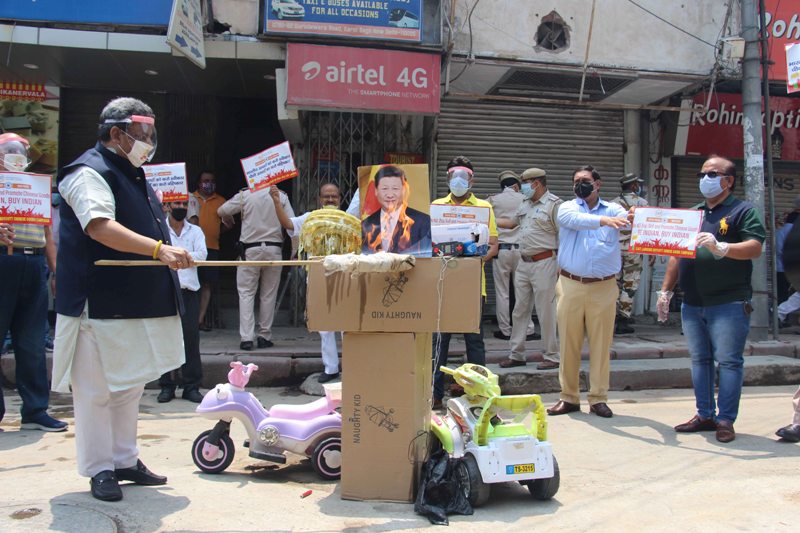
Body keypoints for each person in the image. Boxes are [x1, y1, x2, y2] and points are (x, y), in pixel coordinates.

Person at [52, 97, 195, 501]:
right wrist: (157, 250)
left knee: (129, 385)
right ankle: (99, 469)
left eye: (150, 135)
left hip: (135, 302)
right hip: (97, 304)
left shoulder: (134, 172)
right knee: (96, 390)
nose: (148, 143)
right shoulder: (87, 172)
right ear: (116, 134)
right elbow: (99, 226)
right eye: (141, 135)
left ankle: (124, 459)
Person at [658, 156, 765, 443]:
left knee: (729, 362)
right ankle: (704, 414)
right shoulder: (694, 214)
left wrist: (722, 247)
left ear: (729, 181)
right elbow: (675, 254)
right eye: (702, 174)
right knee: (700, 360)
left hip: (728, 302)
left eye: (712, 174)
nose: (705, 179)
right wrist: (665, 291)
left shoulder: (743, 211)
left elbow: (755, 247)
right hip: (692, 303)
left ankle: (725, 419)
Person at [547, 165, 629, 419]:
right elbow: (572, 221)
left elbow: (627, 221)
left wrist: (637, 217)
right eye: (576, 181)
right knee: (569, 343)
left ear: (598, 184)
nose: (580, 184)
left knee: (601, 345)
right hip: (571, 284)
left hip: (604, 286)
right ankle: (568, 397)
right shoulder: (568, 207)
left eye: (585, 180)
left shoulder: (615, 209)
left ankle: (598, 398)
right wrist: (603, 221)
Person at [0, 132, 66, 432]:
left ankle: (36, 409)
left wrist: (55, 272)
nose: (15, 155)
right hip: (4, 260)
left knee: (32, 342)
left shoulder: (36, 186)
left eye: (20, 150)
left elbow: (47, 234)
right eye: (9, 150)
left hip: (34, 262)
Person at [431, 156, 499, 409]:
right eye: (454, 176)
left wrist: (478, 258)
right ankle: (435, 395)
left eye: (464, 176)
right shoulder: (436, 207)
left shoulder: (484, 208)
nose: (458, 181)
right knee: (439, 341)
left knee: (474, 342)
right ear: (448, 178)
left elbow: (493, 244)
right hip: (441, 284)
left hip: (472, 285)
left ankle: (479, 395)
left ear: (472, 180)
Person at [272, 182, 342, 383]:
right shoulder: (310, 219)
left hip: (345, 278)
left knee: (347, 326)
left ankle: (353, 366)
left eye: (334, 196)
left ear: (339, 199)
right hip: (318, 278)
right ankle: (331, 368)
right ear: (320, 199)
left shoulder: (347, 220)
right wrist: (277, 202)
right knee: (325, 326)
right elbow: (287, 224)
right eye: (326, 196)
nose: (330, 199)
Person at [496, 168, 562, 370]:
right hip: (523, 262)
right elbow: (510, 224)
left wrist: (560, 266)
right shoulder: (525, 203)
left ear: (537, 183)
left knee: (546, 311)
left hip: (545, 262)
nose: (522, 187)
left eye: (525, 182)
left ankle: (552, 356)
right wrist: (482, 217)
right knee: (519, 310)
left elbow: (563, 237)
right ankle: (517, 354)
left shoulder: (554, 205)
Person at [218, 182, 294, 351]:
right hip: (274, 249)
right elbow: (291, 223)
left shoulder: (245, 195)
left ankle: (246, 338)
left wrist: (228, 220)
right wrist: (294, 250)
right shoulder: (280, 196)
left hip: (249, 251)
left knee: (246, 293)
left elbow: (222, 210)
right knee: (268, 294)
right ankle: (264, 336)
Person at [158, 200, 207, 403]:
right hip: (166, 291)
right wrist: (184, 258)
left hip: (188, 291)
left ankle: (191, 386)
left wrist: (175, 256)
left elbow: (201, 255)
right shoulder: (160, 229)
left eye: (184, 203)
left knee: (191, 339)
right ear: (168, 206)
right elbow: (157, 256)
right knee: (165, 339)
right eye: (176, 203)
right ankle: (166, 386)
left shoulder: (195, 231)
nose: (181, 207)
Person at [486, 170, 537, 341]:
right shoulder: (525, 199)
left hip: (501, 251)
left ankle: (505, 330)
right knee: (524, 291)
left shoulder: (492, 200)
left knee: (502, 292)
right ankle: (528, 330)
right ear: (515, 185)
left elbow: (479, 215)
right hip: (522, 250)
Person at [188, 171, 229, 331]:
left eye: (212, 181)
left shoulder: (221, 201)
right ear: (199, 183)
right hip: (192, 249)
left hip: (211, 247)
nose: (208, 183)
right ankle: (190, 319)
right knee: (192, 284)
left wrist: (217, 232)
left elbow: (227, 223)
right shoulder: (190, 198)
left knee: (207, 285)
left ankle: (200, 319)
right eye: (205, 180)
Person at [361, 165, 431, 255]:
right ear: (376, 191)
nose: (390, 195)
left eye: (395, 189)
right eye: (385, 189)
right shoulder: (365, 224)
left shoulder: (423, 221)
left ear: (404, 190)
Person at [610, 173, 649, 335]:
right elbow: (647, 228)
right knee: (630, 284)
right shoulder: (642, 204)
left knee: (614, 283)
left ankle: (611, 317)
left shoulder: (613, 204)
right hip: (634, 250)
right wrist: (650, 252)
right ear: (634, 186)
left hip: (615, 250)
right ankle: (623, 320)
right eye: (637, 184)